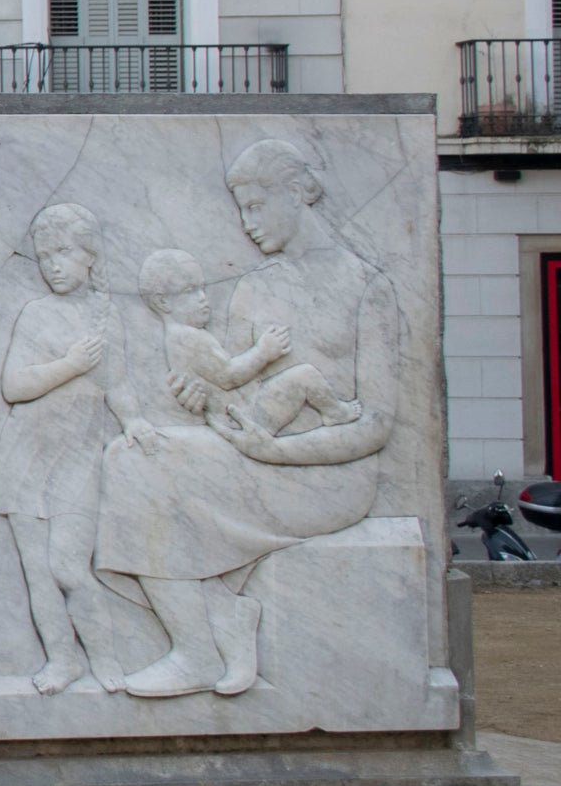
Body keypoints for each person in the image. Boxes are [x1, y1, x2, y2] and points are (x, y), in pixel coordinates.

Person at [94, 140, 400, 699]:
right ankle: (214, 626)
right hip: (254, 453)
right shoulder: (254, 285)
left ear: (299, 192)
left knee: (144, 472)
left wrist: (276, 451)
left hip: (325, 474)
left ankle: (200, 646)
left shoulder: (367, 285)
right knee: (130, 455)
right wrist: (202, 400)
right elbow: (237, 400)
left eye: (256, 206)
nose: (246, 222)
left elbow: (376, 424)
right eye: (240, 208)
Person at [0, 203, 126, 695]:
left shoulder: (107, 315)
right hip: (26, 451)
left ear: (89, 254)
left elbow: (120, 383)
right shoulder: (37, 313)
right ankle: (62, 660)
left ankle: (107, 657)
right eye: (43, 254)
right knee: (38, 572)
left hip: (79, 453)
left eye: (64, 252)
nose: (52, 264)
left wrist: (135, 423)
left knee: (69, 564)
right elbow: (13, 385)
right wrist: (70, 365)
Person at [136, 247, 360, 436]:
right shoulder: (188, 337)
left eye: (202, 288)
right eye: (190, 291)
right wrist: (263, 352)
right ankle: (335, 412)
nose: (203, 298)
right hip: (243, 416)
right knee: (305, 375)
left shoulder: (179, 337)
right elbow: (228, 376)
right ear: (163, 302)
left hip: (235, 414)